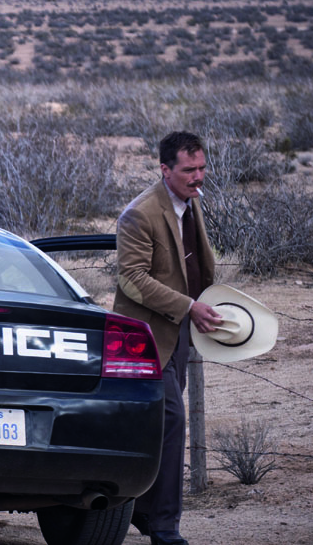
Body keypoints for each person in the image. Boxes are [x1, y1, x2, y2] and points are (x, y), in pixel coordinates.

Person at [113, 130, 223, 545]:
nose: (198, 177)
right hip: (142, 339)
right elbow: (132, 280)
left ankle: (141, 510)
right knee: (171, 420)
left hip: (177, 333)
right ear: (165, 170)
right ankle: (164, 527)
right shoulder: (140, 214)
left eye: (201, 167)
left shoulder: (191, 204)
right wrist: (188, 306)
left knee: (158, 426)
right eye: (189, 170)